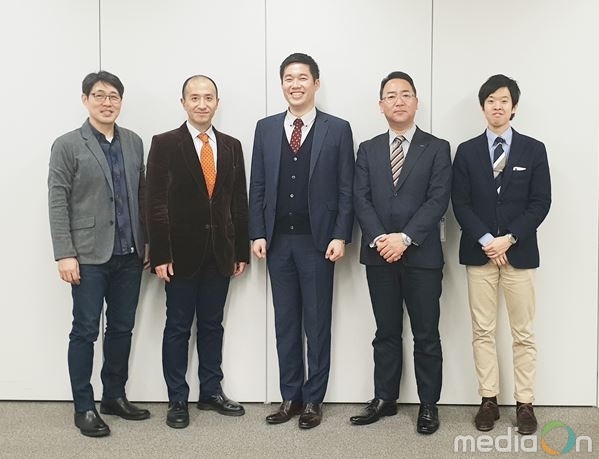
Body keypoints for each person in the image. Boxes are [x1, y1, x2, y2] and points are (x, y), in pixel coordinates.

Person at [248, 52, 354, 429]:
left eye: (302, 78)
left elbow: (346, 188)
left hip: (318, 242)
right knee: (286, 322)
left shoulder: (337, 129)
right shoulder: (265, 128)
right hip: (278, 242)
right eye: (289, 78)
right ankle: (290, 396)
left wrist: (341, 234)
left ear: (316, 83)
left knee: (317, 323)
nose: (295, 84)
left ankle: (313, 400)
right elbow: (258, 184)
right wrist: (257, 232)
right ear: (282, 84)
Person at [48, 71, 150, 437]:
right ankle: (84, 406)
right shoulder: (67, 144)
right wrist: (65, 253)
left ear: (121, 102)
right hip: (88, 256)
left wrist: (147, 242)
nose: (107, 102)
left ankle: (114, 396)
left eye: (113, 96)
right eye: (99, 95)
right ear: (85, 100)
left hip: (129, 253)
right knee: (85, 330)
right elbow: (57, 199)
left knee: (122, 328)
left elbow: (142, 195)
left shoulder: (134, 142)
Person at [145, 75, 249, 429]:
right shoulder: (164, 143)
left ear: (217, 102)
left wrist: (240, 250)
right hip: (179, 256)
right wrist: (161, 254)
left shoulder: (232, 146)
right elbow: (155, 202)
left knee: (212, 325)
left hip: (220, 253)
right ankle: (177, 398)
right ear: (183, 102)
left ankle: (211, 392)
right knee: (177, 327)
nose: (202, 104)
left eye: (208, 98)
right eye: (195, 98)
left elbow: (238, 201)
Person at [351, 71, 451, 434]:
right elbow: (360, 199)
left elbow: (438, 199)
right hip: (379, 255)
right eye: (391, 95)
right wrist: (382, 239)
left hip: (422, 256)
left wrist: (405, 238)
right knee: (386, 331)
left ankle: (428, 405)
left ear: (416, 102)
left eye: (405, 94)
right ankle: (384, 398)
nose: (398, 101)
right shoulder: (368, 149)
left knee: (426, 334)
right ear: (381, 105)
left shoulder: (437, 147)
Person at [451, 74, 551, 435]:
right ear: (483, 107)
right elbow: (460, 202)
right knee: (483, 330)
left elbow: (541, 202)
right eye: (491, 100)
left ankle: (525, 403)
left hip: (518, 254)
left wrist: (508, 239)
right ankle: (488, 400)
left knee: (523, 332)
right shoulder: (466, 151)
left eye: (504, 100)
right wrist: (486, 240)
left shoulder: (533, 149)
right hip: (480, 254)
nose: (497, 106)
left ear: (514, 107)